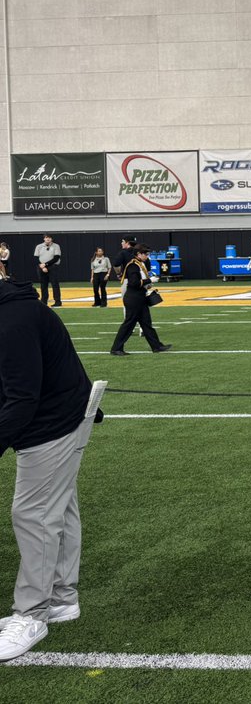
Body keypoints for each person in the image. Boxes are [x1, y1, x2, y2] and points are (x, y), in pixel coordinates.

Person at [0, 277, 101, 661]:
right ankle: (61, 598)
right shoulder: (15, 309)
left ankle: (32, 613)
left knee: (33, 514)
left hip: (52, 423)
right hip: (63, 415)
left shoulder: (12, 318)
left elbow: (22, 397)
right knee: (57, 510)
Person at [110, 245, 171, 356]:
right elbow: (134, 283)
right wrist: (149, 280)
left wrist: (148, 284)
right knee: (128, 324)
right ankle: (116, 348)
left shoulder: (140, 264)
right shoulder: (133, 265)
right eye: (145, 254)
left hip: (139, 297)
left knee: (146, 323)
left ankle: (157, 346)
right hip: (134, 298)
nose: (147, 257)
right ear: (138, 254)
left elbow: (140, 282)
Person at [33, 235, 62, 308]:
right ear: (44, 239)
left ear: (51, 239)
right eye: (46, 238)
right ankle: (44, 301)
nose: (47, 239)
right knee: (43, 285)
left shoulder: (56, 246)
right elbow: (36, 258)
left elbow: (56, 257)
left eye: (49, 238)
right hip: (41, 267)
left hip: (52, 266)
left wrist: (46, 264)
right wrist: (42, 266)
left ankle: (57, 302)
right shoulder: (39, 246)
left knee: (55, 284)